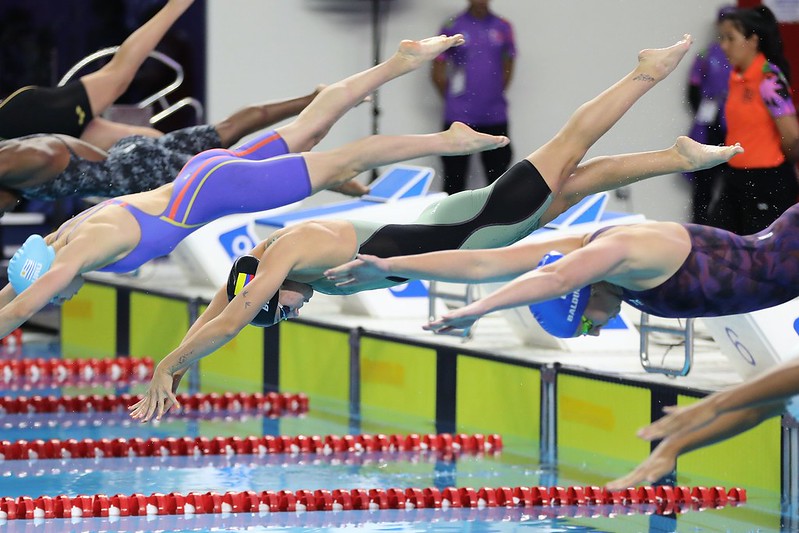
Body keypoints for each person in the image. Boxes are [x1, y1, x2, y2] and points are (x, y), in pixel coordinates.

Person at [127, 35, 731, 422]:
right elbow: (225, 304)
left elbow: (234, 316)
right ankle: (674, 157)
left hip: (477, 229)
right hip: (460, 220)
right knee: (568, 183)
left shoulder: (287, 253)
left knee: (567, 152)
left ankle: (643, 73)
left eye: (280, 309)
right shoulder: (265, 263)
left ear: (267, 286)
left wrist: (162, 367)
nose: (290, 309)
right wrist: (175, 366)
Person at [0, 35, 494, 326]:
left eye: (54, 293)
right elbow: (20, 287)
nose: (61, 299)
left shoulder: (76, 253)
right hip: (203, 176)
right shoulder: (62, 236)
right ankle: (398, 63)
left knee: (348, 157)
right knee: (310, 126)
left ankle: (446, 141)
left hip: (218, 190)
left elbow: (26, 300)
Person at [0, 86, 326, 212]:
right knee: (226, 131)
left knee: (241, 173)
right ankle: (316, 97)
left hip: (140, 172)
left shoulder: (26, 160)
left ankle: (329, 172)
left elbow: (51, 155)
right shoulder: (20, 157)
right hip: (132, 153)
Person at [0, 0, 193, 151]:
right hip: (26, 132)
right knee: (151, 142)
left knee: (118, 77)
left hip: (25, 118)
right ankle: (207, 173)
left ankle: (176, 6)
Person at [708, 5, 799, 235]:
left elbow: (793, 136)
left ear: (752, 41)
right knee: (718, 243)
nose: (723, 45)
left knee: (761, 260)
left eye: (730, 38)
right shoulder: (737, 76)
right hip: (736, 177)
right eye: (722, 38)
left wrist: (780, 168)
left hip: (766, 180)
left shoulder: (769, 79)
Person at [432, 0, 515, 195]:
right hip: (459, 116)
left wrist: (493, 93)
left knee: (498, 180)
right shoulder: (453, 26)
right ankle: (450, 223)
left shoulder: (503, 26)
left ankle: (498, 222)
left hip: (494, 115)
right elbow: (438, 69)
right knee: (454, 178)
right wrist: (455, 101)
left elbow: (508, 64)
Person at [683, 4, 733, 224]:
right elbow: (693, 88)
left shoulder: (741, 55)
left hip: (735, 125)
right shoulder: (706, 54)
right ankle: (700, 227)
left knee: (733, 180)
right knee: (704, 181)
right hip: (710, 126)